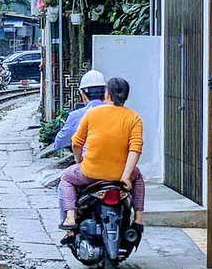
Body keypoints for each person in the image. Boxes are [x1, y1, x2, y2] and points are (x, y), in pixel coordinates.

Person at [58, 77, 145, 230]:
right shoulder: (134, 118)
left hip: (90, 173)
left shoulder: (92, 114)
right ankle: (138, 218)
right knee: (138, 178)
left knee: (66, 178)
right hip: (120, 176)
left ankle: (70, 217)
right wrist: (125, 176)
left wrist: (79, 161)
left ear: (107, 94)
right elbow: (135, 149)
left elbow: (76, 143)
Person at [53, 70, 106, 150]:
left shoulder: (76, 116)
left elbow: (59, 143)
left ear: (83, 95)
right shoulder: (118, 113)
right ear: (105, 93)